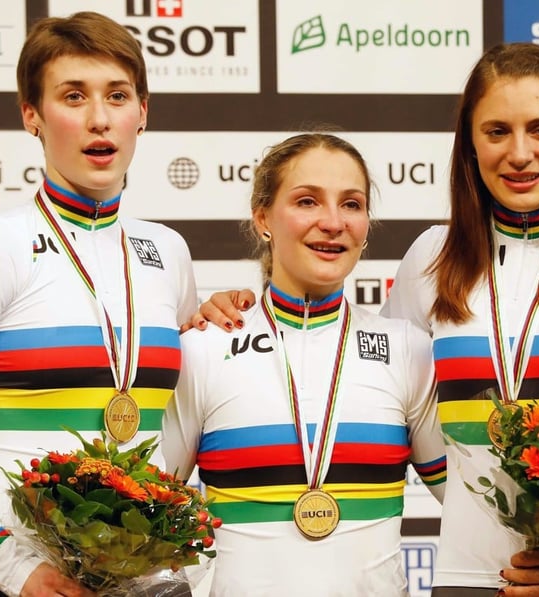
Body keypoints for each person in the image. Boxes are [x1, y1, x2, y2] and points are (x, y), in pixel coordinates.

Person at [192, 42, 539, 597]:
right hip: (470, 580)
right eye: (497, 131)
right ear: (470, 144)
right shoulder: (430, 260)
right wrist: (247, 312)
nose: (519, 153)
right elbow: (364, 389)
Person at [0, 12, 197, 597]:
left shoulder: (168, 252)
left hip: (152, 584)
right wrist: (14, 569)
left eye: (118, 95)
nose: (100, 119)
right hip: (23, 585)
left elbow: (181, 420)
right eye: (73, 96)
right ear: (31, 115)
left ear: (144, 112)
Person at [161, 132, 448, 596]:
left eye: (351, 204)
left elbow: (471, 508)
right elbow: (146, 510)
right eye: (308, 201)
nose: (333, 222)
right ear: (263, 218)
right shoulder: (204, 348)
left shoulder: (409, 351)